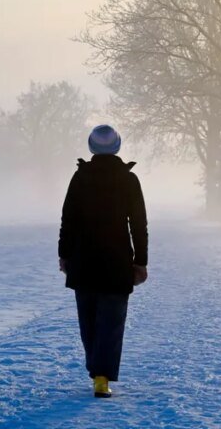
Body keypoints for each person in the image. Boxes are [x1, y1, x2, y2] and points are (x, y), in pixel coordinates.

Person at [58, 124, 148, 398]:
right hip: (117, 260)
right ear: (117, 147)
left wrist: (64, 254)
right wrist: (141, 261)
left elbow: (68, 220)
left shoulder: (79, 178)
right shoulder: (128, 180)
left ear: (91, 147)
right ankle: (101, 376)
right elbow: (139, 224)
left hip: (82, 259)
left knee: (89, 320)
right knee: (111, 322)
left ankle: (97, 371)